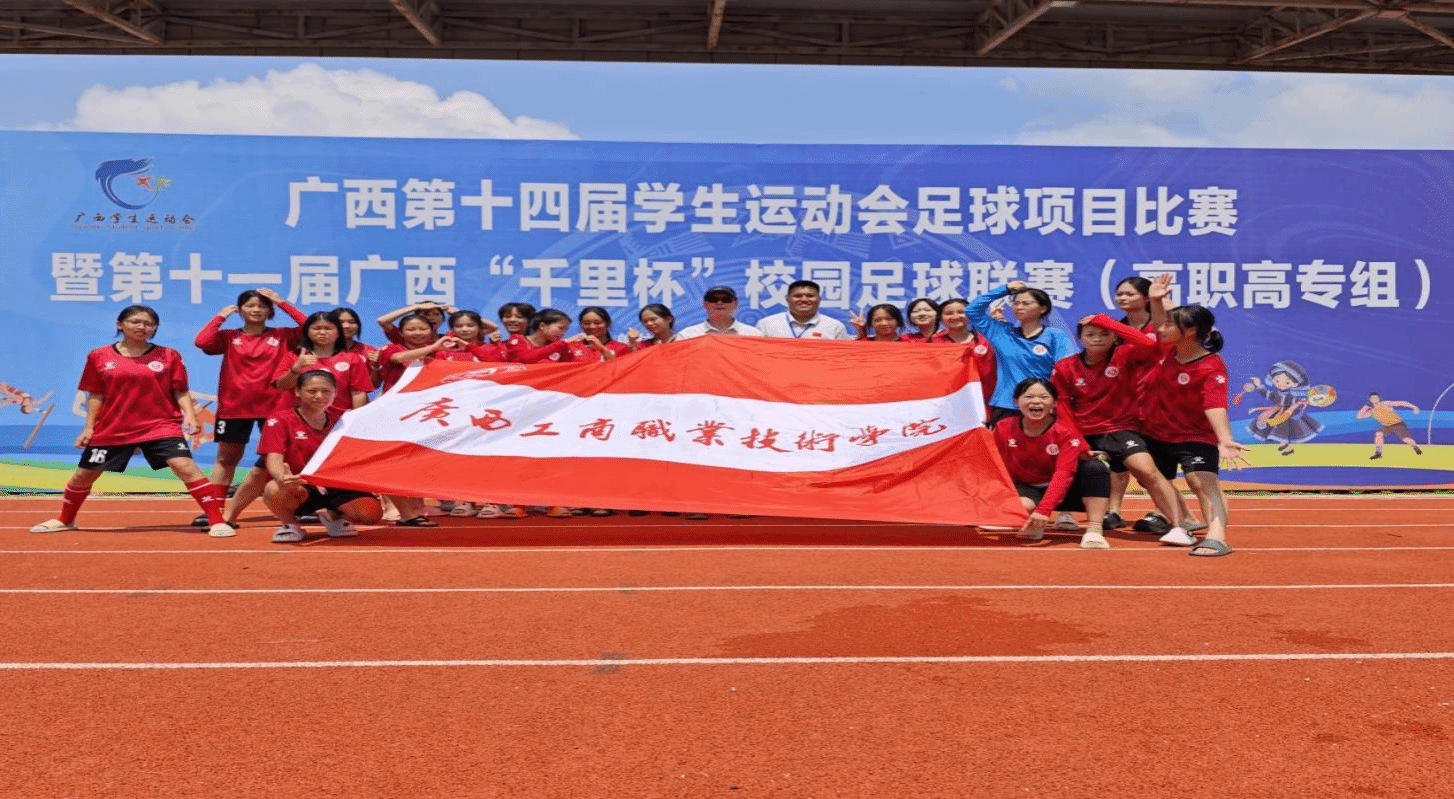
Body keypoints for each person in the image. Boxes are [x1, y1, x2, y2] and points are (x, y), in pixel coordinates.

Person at [31, 306, 233, 538]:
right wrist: (88, 428)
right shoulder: (98, 356)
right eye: (135, 321)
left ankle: (217, 521)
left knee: (185, 466)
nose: (142, 327)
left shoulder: (169, 355)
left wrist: (191, 416)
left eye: (148, 323)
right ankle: (65, 520)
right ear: (120, 324)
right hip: (113, 427)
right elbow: (96, 394)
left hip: (160, 425)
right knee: (83, 476)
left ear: (155, 328)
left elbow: (180, 390)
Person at [1051, 313, 1193, 542]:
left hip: (1120, 429)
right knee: (1064, 469)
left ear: (1115, 337)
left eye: (1104, 334)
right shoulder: (1065, 366)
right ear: (1081, 339)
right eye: (1090, 334)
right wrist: (1079, 443)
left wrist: (1106, 321)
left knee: (1147, 471)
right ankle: (1061, 515)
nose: (1097, 338)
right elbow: (1063, 407)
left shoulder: (1125, 355)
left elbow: (1150, 344)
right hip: (1083, 432)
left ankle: (1179, 526)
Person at [1142, 274, 1249, 557]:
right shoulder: (1168, 348)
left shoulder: (1211, 366)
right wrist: (1156, 299)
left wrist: (1224, 439)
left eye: (1169, 325)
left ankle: (1217, 536)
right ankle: (1185, 521)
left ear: (1190, 331)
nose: (1160, 328)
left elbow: (1214, 405)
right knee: (1150, 477)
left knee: (1201, 480)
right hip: (1158, 432)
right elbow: (1164, 321)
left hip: (1195, 435)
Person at [191, 287, 308, 531]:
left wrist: (282, 302)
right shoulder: (229, 337)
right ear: (240, 309)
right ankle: (215, 509)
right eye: (250, 305)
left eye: (262, 306)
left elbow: (309, 327)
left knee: (286, 458)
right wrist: (221, 316)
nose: (256, 310)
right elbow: (202, 341)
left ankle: (300, 506)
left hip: (275, 406)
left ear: (270, 311)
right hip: (235, 406)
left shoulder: (283, 335)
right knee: (226, 458)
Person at [259, 369, 382, 543]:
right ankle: (290, 524)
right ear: (297, 391)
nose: (319, 396)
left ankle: (334, 518)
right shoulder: (279, 420)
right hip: (301, 484)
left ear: (335, 393)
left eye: (326, 391)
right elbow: (274, 457)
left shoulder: (344, 419)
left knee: (371, 514)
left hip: (337, 483)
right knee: (273, 488)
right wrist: (281, 477)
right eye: (312, 391)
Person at [991, 378, 1112, 549]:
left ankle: (1094, 529)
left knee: (1095, 468)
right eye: (1029, 397)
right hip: (1027, 487)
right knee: (1018, 508)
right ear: (1016, 402)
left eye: (1043, 397)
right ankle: (1032, 522)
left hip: (1067, 491)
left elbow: (1064, 473)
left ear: (1054, 403)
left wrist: (1044, 510)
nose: (1036, 401)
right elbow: (995, 465)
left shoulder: (1065, 432)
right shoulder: (1003, 428)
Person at [967, 281, 1077, 422]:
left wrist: (1053, 400)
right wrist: (1005, 289)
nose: (1018, 307)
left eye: (1026, 303)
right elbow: (972, 310)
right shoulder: (1001, 332)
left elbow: (1065, 370)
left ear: (1043, 308)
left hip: (1041, 405)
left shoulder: (1055, 336)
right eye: (1015, 303)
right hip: (1006, 405)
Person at [930, 298, 996, 408]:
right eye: (949, 313)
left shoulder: (986, 340)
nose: (956, 316)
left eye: (961, 312)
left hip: (983, 399)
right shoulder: (933, 342)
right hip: (946, 401)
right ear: (940, 318)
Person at [756, 280, 851, 340]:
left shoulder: (835, 326)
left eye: (810, 296)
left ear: (819, 299)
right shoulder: (766, 324)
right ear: (787, 299)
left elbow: (843, 355)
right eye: (797, 296)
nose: (804, 300)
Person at [677, 286, 762, 338]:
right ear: (705, 304)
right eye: (713, 299)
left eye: (726, 299)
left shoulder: (753, 334)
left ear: (736, 304)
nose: (719, 303)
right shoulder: (688, 335)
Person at [1357, 393, 1423, 459]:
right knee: (1379, 434)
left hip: (1397, 424)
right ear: (1370, 400)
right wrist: (1364, 408)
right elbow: (1359, 416)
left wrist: (1414, 407)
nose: (1374, 399)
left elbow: (1401, 403)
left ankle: (1415, 447)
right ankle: (1378, 453)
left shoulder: (1385, 403)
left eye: (1376, 398)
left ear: (1379, 398)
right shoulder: (1372, 410)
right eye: (1372, 398)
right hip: (1386, 426)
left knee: (1406, 439)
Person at [333, 306, 382, 390]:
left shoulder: (369, 351)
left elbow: (374, 385)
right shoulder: (321, 350)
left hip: (359, 397)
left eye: (352, 322)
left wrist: (376, 367)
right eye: (341, 322)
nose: (346, 326)